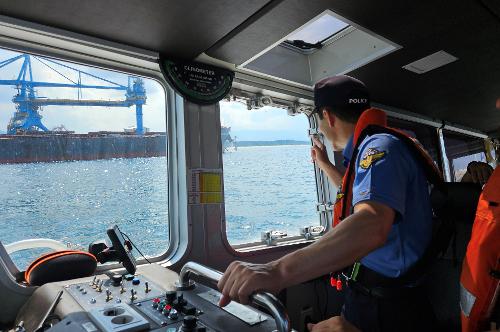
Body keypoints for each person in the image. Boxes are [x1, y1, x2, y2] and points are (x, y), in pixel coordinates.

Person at [217, 75, 436, 331]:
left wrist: (275, 271)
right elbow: (361, 194)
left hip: (390, 304)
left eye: (318, 121)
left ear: (328, 117)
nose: (320, 128)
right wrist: (325, 165)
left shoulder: (378, 147)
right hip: (375, 295)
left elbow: (372, 221)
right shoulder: (382, 146)